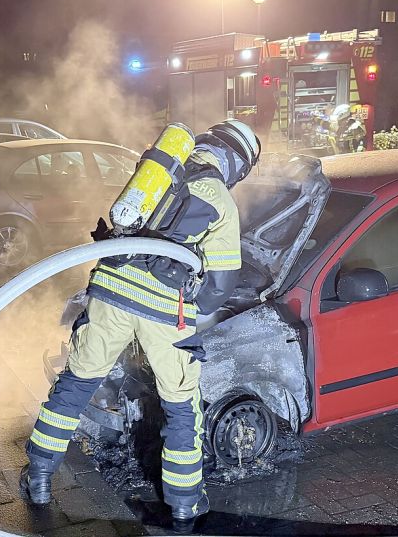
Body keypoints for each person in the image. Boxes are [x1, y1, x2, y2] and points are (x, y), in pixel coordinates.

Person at [20, 120, 260, 527]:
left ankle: (39, 477)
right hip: (165, 311)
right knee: (181, 407)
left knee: (75, 385)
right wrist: (191, 305)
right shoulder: (220, 200)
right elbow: (220, 286)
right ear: (237, 164)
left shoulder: (159, 172)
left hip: (110, 291)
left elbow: (123, 225)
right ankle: (185, 503)